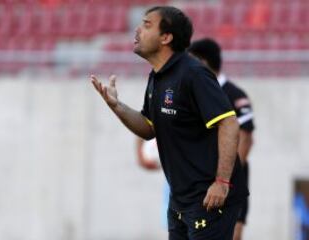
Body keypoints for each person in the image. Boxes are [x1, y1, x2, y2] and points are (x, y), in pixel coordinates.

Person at [91, 6, 248, 240]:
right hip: (180, 200)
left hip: (211, 197)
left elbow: (229, 124)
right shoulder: (157, 76)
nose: (137, 30)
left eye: (146, 25)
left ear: (166, 37)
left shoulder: (194, 74)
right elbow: (148, 128)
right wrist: (117, 106)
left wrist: (222, 182)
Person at [188, 38, 255, 240]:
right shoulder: (192, 92)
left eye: (191, 61)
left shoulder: (234, 95)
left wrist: (225, 178)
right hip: (197, 181)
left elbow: (246, 138)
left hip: (229, 182)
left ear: (203, 62)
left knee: (233, 234)